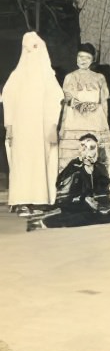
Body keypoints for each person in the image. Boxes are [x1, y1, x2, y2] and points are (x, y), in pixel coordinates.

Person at [3, 32, 64, 216]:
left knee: (40, 161)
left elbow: (56, 99)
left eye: (35, 48)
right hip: (22, 129)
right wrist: (10, 127)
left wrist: (53, 126)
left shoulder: (48, 76)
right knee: (22, 162)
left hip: (42, 129)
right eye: (27, 49)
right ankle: (21, 200)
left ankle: (39, 200)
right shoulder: (16, 76)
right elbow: (8, 99)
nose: (31, 52)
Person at [27, 134, 110, 231]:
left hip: (95, 206)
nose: (87, 151)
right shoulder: (74, 166)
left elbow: (104, 190)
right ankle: (44, 222)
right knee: (81, 216)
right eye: (84, 147)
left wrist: (98, 202)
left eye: (92, 148)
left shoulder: (100, 167)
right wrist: (85, 198)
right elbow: (65, 191)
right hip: (76, 204)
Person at [58, 43, 110, 171]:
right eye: (80, 57)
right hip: (75, 120)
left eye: (87, 58)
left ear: (93, 60)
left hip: (95, 121)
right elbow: (68, 100)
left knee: (94, 154)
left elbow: (103, 103)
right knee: (75, 154)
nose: (83, 60)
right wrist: (82, 107)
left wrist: (104, 123)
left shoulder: (99, 78)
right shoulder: (70, 77)